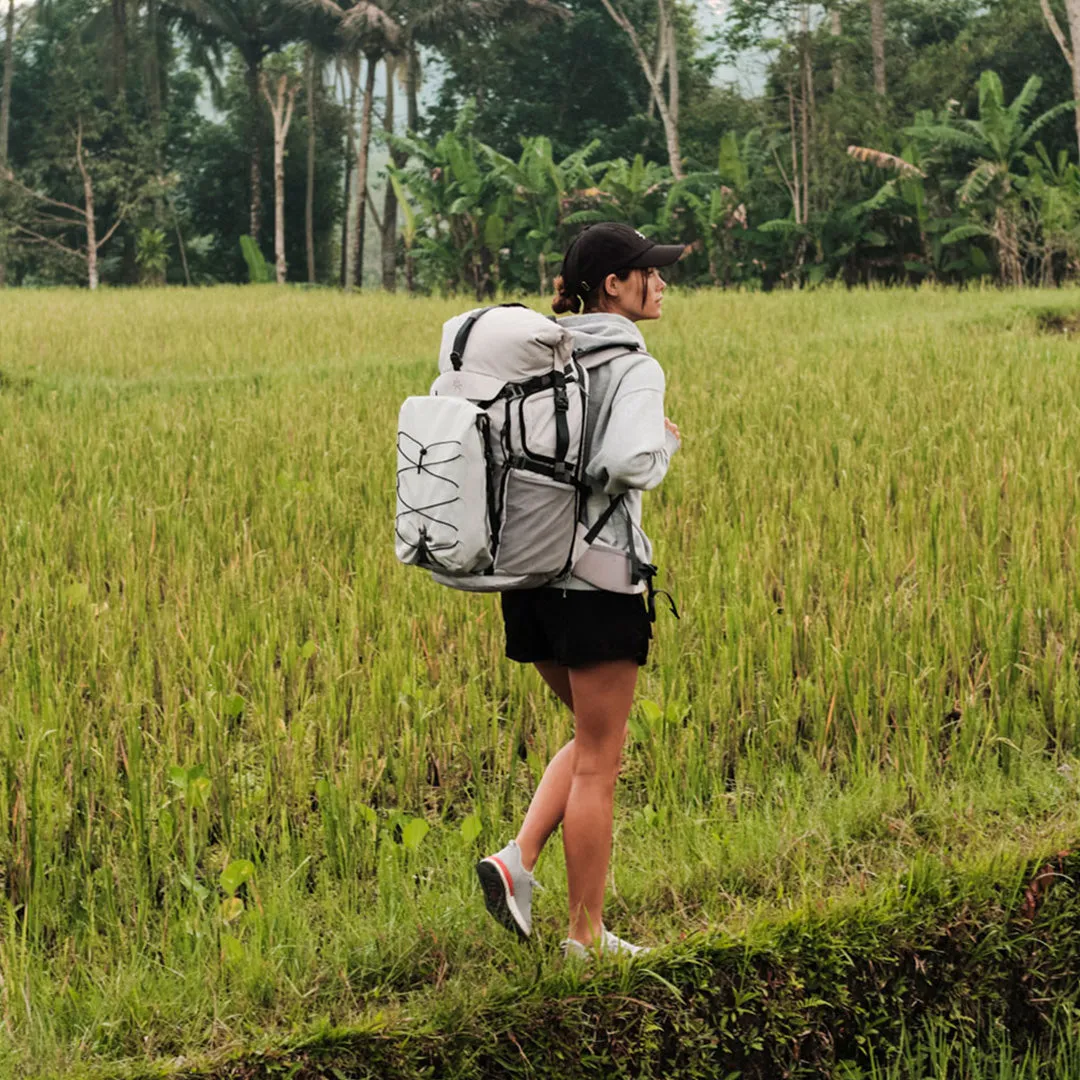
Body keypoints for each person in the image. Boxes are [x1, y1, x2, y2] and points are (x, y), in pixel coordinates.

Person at [475, 222, 683, 959]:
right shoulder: (632, 363)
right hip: (596, 587)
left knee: (594, 737)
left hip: (527, 581)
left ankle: (517, 860)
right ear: (612, 288)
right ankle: (585, 936)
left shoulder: (543, 354)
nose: (660, 283)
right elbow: (628, 459)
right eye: (646, 272)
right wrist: (662, 443)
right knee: (601, 759)